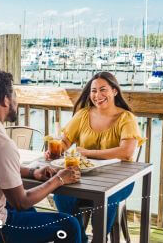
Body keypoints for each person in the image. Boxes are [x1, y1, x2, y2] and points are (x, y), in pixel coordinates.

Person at [0, 70, 82, 243]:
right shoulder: (1, 143)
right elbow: (22, 201)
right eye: (15, 95)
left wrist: (32, 173)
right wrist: (59, 179)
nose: (17, 101)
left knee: (29, 213)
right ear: (5, 100)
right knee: (69, 225)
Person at [46, 71, 145, 242]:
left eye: (103, 89)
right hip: (85, 179)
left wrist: (88, 152)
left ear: (114, 91)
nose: (97, 95)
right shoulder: (83, 114)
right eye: (93, 90)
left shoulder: (126, 118)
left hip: (119, 181)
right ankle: (79, 238)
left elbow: (126, 152)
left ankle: (99, 238)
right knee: (61, 194)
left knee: (106, 198)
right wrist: (55, 149)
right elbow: (65, 142)